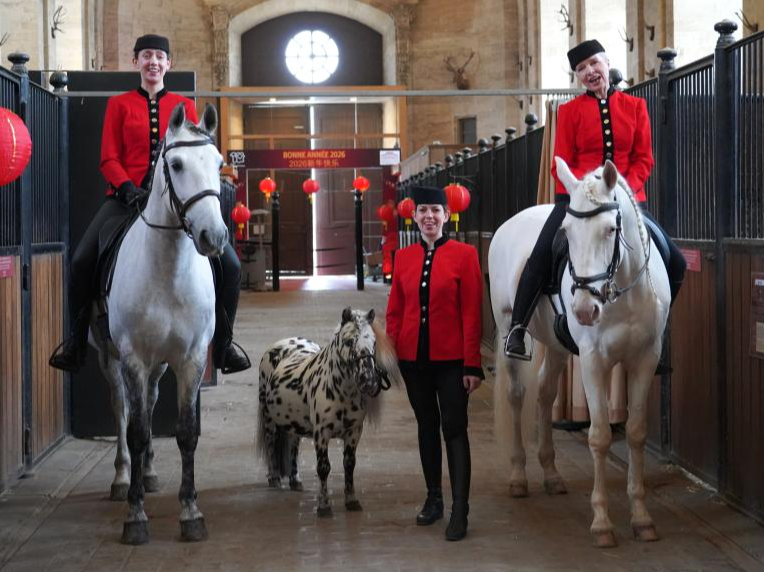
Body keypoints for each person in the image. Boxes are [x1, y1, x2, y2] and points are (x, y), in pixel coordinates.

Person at [50, 34, 250, 374]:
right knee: (82, 260)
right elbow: (108, 158)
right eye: (146, 56)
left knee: (229, 264)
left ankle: (225, 346)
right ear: (136, 62)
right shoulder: (119, 105)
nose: (153, 62)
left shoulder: (185, 106)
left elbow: (193, 157)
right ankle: (76, 342)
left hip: (175, 204)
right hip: (125, 200)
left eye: (159, 56)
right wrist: (127, 188)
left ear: (168, 63)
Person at [504, 39, 686, 366]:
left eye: (593, 64)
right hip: (577, 200)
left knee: (676, 261)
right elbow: (560, 161)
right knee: (542, 253)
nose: (589, 71)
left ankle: (656, 327)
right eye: (581, 69)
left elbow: (643, 159)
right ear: (577, 76)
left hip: (626, 202)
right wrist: (584, 191)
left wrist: (622, 192)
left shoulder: (635, 107)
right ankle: (517, 328)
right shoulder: (569, 112)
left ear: (606, 63)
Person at [386, 186, 484, 541]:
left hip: (453, 361)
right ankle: (434, 499)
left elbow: (472, 313)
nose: (429, 216)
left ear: (447, 216)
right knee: (426, 427)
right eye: (423, 210)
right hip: (413, 361)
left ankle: (460, 509)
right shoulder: (403, 257)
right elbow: (395, 311)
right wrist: (391, 355)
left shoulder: (465, 255)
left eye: (436, 211)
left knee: (454, 428)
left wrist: (472, 364)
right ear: (414, 216)